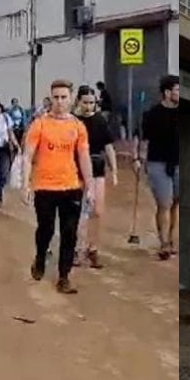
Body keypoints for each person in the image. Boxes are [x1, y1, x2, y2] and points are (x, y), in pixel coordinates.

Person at [20, 80, 94, 295]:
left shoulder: (78, 126)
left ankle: (64, 276)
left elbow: (83, 157)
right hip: (44, 187)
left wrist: (89, 187)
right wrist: (25, 184)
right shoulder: (40, 124)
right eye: (56, 97)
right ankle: (40, 256)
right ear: (51, 98)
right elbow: (27, 156)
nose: (60, 102)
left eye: (64, 97)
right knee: (46, 228)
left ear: (71, 99)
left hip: (71, 186)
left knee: (69, 232)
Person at [134, 75, 180, 260]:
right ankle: (164, 244)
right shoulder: (152, 114)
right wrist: (139, 159)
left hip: (177, 163)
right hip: (157, 163)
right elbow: (145, 140)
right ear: (167, 92)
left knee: (175, 203)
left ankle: (170, 238)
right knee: (164, 203)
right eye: (177, 90)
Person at [75, 85, 118, 269]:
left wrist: (114, 170)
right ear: (78, 102)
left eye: (92, 103)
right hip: (75, 169)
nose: (88, 106)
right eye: (85, 102)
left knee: (97, 211)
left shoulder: (100, 121)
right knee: (78, 212)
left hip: (97, 168)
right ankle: (77, 249)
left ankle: (93, 249)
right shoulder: (73, 122)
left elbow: (108, 147)